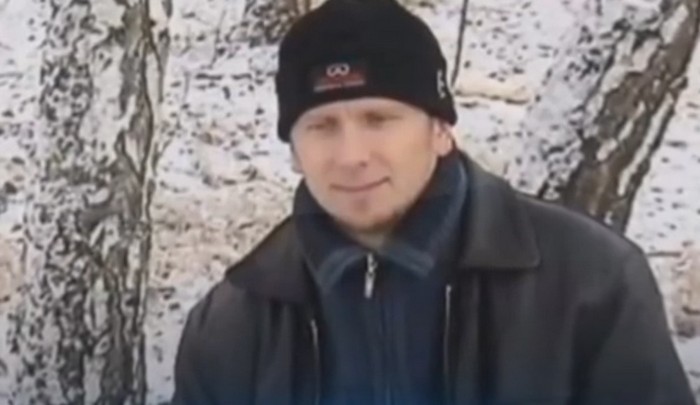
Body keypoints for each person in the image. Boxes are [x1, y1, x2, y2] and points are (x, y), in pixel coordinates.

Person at [171, 0, 695, 404]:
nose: (352, 155)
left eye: (379, 119)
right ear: (293, 150)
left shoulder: (589, 282)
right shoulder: (235, 323)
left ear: (441, 130)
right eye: (322, 126)